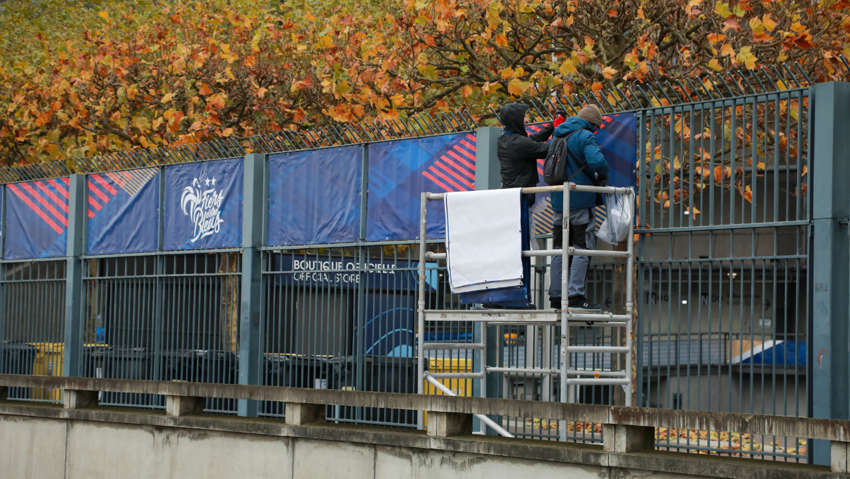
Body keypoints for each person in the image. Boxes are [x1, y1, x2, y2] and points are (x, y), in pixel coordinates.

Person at [548, 105, 609, 311]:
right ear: (592, 124)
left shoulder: (557, 137)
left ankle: (556, 296)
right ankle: (575, 296)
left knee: (559, 249)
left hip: (558, 202)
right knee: (583, 247)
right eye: (596, 128)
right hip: (580, 200)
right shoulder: (585, 136)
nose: (595, 132)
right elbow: (598, 163)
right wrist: (601, 178)